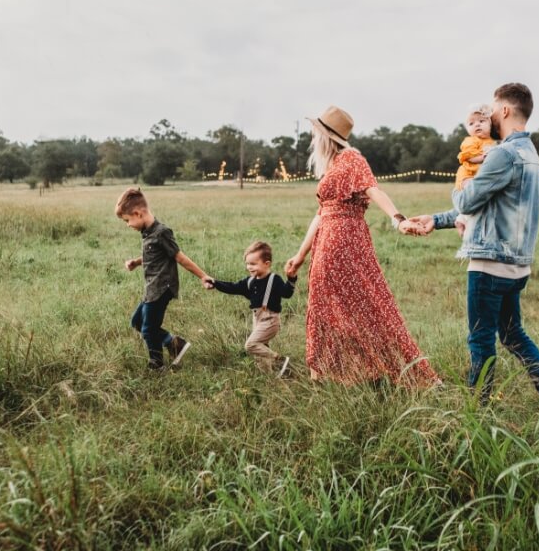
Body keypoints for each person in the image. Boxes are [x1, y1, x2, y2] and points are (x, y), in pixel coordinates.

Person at [407, 83, 539, 412]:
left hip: (489, 264)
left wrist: (462, 182)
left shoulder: (502, 153)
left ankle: (476, 412)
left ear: (506, 111)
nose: (490, 116)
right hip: (517, 265)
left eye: (494, 110)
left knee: (480, 338)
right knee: (512, 335)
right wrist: (437, 220)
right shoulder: (530, 154)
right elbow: (489, 207)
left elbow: (468, 199)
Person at [285, 105, 441, 387]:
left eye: (315, 133)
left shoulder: (351, 158)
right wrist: (299, 255)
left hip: (344, 241)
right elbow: (321, 214)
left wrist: (398, 220)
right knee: (325, 305)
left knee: (365, 305)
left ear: (326, 136)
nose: (311, 139)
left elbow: (373, 189)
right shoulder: (332, 165)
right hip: (328, 241)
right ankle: (330, 372)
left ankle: (373, 369)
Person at [116, 187, 212, 370]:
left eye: (127, 220)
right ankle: (174, 344)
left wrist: (203, 276)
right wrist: (136, 262)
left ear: (138, 213)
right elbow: (154, 256)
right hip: (151, 288)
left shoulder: (161, 232)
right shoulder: (148, 233)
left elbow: (179, 257)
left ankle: (157, 364)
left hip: (162, 288)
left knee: (148, 329)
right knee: (137, 322)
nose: (128, 225)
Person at [207, 241, 296, 376]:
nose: (249, 267)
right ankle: (268, 377)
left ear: (267, 264)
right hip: (257, 319)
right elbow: (232, 287)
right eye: (247, 264)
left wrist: (291, 279)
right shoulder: (250, 282)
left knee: (251, 345)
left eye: (253, 264)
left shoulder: (274, 279)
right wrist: (215, 283)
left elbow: (287, 293)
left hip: (270, 319)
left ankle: (280, 360)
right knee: (261, 352)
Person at [454, 104, 497, 234]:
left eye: (481, 121)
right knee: (472, 194)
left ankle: (462, 219)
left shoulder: (493, 141)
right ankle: (463, 220)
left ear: (490, 124)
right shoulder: (471, 141)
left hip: (480, 175)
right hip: (468, 174)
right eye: (471, 123)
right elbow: (469, 156)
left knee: (480, 200)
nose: (477, 125)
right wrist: (483, 157)